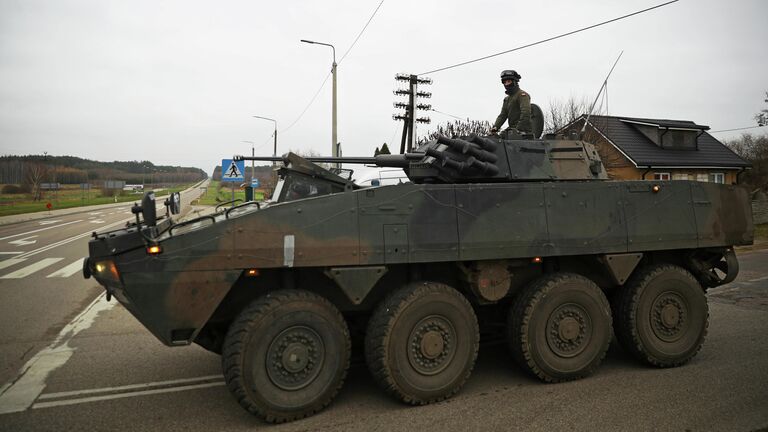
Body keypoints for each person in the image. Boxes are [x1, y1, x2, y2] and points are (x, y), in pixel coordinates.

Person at [491, 70, 532, 134]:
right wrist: (495, 127)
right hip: (512, 129)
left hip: (524, 131)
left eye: (509, 81)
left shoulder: (522, 95)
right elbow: (503, 115)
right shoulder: (507, 99)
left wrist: (518, 129)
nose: (506, 84)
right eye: (505, 82)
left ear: (515, 82)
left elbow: (526, 113)